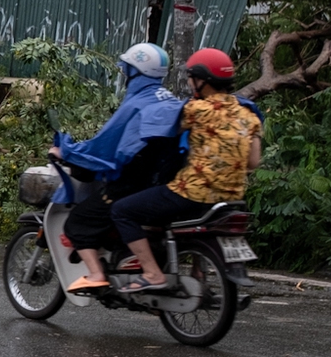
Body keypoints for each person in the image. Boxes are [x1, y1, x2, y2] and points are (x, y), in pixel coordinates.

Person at [109, 48, 263, 293]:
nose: (191, 83)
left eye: (192, 77)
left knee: (122, 210)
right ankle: (196, 271)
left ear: (202, 80)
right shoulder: (249, 116)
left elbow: (161, 129)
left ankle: (152, 273)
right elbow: (253, 162)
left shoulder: (197, 110)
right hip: (230, 199)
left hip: (192, 194)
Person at [49, 43, 185, 294]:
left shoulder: (136, 105)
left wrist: (65, 151)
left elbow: (104, 148)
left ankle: (96, 274)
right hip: (162, 184)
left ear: (135, 72)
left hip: (131, 185)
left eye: (127, 70)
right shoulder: (169, 100)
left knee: (78, 223)